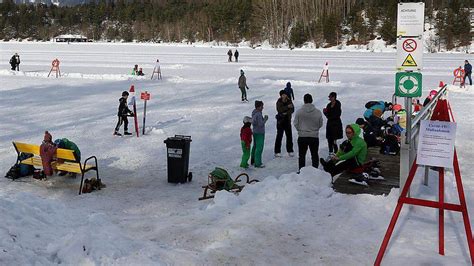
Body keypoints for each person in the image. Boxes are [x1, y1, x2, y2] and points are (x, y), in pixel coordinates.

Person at [293, 93, 323, 171]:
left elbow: (295, 123)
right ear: (312, 100)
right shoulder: (318, 112)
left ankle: (301, 171)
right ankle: (315, 171)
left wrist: (300, 130)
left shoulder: (299, 112)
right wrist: (314, 129)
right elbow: (320, 124)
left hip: (302, 136)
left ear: (304, 101)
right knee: (314, 154)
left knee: (302, 155)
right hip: (314, 136)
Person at [274, 90, 294, 157]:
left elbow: (292, 109)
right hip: (280, 121)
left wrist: (286, 112)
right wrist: (287, 107)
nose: (284, 96)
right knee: (279, 136)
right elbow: (279, 109)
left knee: (289, 136)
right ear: (281, 95)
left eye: (285, 94)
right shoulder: (279, 101)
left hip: (287, 120)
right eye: (283, 95)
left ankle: (290, 150)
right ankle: (277, 151)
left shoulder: (289, 101)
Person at [323, 92, 343, 156]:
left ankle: (336, 152)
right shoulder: (328, 105)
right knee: (329, 139)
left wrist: (328, 114)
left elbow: (337, 115)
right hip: (330, 124)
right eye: (329, 97)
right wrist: (326, 113)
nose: (330, 98)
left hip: (336, 124)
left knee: (334, 139)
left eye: (331, 97)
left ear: (334, 97)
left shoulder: (338, 104)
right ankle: (330, 152)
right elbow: (328, 115)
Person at [251, 100, 268, 168]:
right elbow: (260, 124)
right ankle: (258, 163)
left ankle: (253, 160)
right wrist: (265, 119)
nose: (263, 107)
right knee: (259, 148)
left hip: (255, 132)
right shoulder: (258, 114)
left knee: (255, 146)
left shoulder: (254, 112)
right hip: (260, 133)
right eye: (261, 106)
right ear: (258, 107)